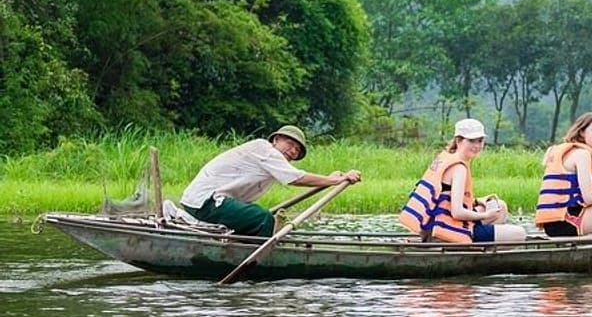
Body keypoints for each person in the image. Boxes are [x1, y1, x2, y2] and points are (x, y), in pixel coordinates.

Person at [179, 125, 361, 237]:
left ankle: (246, 251)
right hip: (205, 202)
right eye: (290, 145)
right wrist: (335, 180)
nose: (293, 151)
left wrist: (330, 179)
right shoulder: (264, 148)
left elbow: (294, 174)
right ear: (276, 140)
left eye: (297, 150)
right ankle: (259, 264)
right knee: (263, 219)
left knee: (260, 221)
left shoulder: (273, 164)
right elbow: (295, 178)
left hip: (204, 202)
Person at [399, 118, 527, 243]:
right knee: (520, 233)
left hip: (433, 224)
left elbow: (445, 197)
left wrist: (477, 201)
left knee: (500, 207)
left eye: (480, 141)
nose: (477, 146)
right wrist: (485, 215)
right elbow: (457, 212)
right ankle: (462, 242)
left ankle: (474, 242)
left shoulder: (446, 157)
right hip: (447, 227)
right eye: (471, 141)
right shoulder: (459, 168)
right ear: (459, 140)